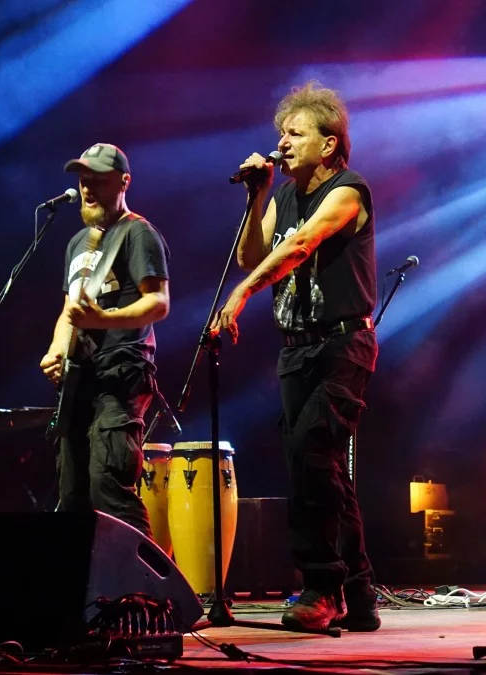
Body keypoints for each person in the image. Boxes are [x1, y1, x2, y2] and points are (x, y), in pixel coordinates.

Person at [212, 82, 380, 632]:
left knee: (313, 454)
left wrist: (242, 297)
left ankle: (319, 586)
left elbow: (301, 244)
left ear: (327, 145)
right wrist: (256, 195)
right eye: (280, 131)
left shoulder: (348, 191)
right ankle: (358, 591)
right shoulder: (282, 195)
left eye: (295, 133)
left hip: (342, 345)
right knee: (322, 468)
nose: (281, 142)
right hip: (296, 349)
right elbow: (251, 255)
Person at [40, 143, 170, 539]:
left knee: (108, 488)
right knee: (72, 492)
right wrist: (57, 350)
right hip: (81, 379)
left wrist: (105, 318)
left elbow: (158, 302)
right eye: (83, 179)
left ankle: (148, 594)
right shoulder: (76, 244)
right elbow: (69, 311)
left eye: (98, 179)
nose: (87, 187)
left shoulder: (138, 233)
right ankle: (84, 594)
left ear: (124, 182)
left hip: (122, 372)